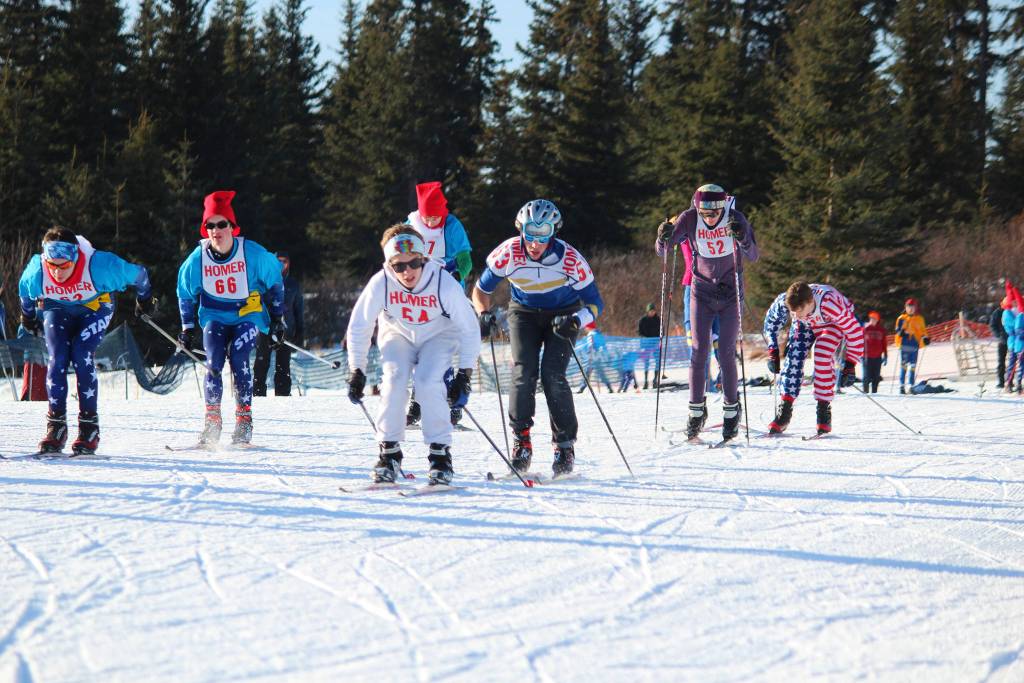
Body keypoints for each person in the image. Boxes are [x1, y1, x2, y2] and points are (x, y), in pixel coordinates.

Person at [472, 199, 604, 476]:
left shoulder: (570, 259)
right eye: (529, 234)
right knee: (524, 372)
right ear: (521, 230)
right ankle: (521, 443)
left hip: (563, 314)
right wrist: (483, 313)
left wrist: (577, 320)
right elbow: (480, 291)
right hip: (524, 312)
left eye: (542, 235)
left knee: (553, 375)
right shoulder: (508, 252)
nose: (534, 243)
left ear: (553, 233)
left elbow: (595, 305)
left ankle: (564, 447)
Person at [345, 224, 480, 485]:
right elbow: (360, 325)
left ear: (424, 259)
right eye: (399, 266)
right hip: (399, 334)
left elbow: (469, 328)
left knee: (429, 382)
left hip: (437, 336)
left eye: (414, 263)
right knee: (393, 380)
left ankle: (440, 455)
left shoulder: (443, 282)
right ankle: (389, 453)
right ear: (389, 265)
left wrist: (464, 373)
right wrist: (357, 369)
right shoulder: (381, 282)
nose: (407, 272)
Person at [18, 226, 154, 454]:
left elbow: (140, 274)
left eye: (65, 266)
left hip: (95, 307)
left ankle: (89, 427)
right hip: (57, 308)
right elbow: (24, 293)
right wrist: (28, 317)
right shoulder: (37, 272)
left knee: (81, 353)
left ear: (76, 259)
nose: (58, 273)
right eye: (53, 265)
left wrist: (145, 299)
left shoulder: (100, 266)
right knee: (57, 356)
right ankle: (56, 427)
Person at [176, 190, 285, 447]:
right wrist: (187, 328)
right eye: (210, 225)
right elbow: (184, 293)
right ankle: (212, 422)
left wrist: (279, 320)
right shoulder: (198, 258)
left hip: (245, 316)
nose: (216, 230)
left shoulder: (252, 253)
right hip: (214, 316)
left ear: (232, 227)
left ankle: (243, 420)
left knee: (238, 358)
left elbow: (276, 281)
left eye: (221, 223)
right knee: (213, 361)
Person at [656, 183, 758, 443]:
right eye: (706, 213)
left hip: (729, 293)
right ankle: (696, 411)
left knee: (725, 352)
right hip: (701, 292)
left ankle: (732, 410)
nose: (711, 218)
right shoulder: (689, 218)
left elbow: (753, 254)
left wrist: (742, 235)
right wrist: (663, 236)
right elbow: (665, 250)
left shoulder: (735, 218)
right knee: (698, 350)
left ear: (723, 207)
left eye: (715, 213)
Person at [404, 181, 472, 427]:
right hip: (419, 291)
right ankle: (417, 401)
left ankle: (451, 402)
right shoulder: (411, 225)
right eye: (427, 218)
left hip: (447, 290)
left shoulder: (452, 226)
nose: (431, 222)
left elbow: (465, 260)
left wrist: (456, 276)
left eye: (435, 218)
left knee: (442, 347)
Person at [763, 281, 864, 435]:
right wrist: (773, 351)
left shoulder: (829, 304)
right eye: (792, 312)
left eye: (798, 311)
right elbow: (771, 323)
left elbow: (854, 332)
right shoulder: (787, 302)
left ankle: (823, 411)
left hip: (830, 324)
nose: (794, 315)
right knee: (793, 359)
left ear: (810, 302)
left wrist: (850, 365)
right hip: (805, 325)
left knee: (822, 354)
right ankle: (784, 411)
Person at [253, 252, 304, 397]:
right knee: (261, 362)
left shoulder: (293, 284)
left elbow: (298, 309)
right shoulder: (263, 281)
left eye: (285, 261)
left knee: (283, 365)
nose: (281, 264)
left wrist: (300, 331)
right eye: (278, 261)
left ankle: (283, 395)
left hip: (285, 330)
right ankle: (258, 394)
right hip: (265, 328)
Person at [894, 297, 930, 395]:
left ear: (915, 308)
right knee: (904, 366)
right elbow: (897, 329)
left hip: (914, 344)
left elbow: (923, 331)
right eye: (909, 307)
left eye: (913, 307)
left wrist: (925, 338)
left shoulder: (919, 319)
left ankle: (911, 385)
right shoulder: (901, 318)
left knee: (913, 366)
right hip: (905, 344)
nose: (911, 309)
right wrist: (901, 332)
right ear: (905, 307)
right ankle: (901, 386)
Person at [576, 326, 615, 393]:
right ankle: (609, 388)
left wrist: (590, 354)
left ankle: (582, 388)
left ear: (589, 328)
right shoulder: (600, 335)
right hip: (598, 357)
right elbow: (604, 347)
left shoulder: (590, 335)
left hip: (592, 357)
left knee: (587, 374)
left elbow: (590, 345)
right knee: (601, 374)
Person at [990, 282, 1012, 388]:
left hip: (1013, 340)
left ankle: (1011, 381)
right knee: (1001, 362)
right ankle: (1001, 381)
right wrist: (999, 336)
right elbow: (993, 326)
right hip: (1002, 341)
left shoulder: (1013, 312)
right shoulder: (997, 313)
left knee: (1013, 361)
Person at [862, 311, 887, 393]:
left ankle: (874, 392)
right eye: (872, 318)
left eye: (875, 319)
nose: (873, 320)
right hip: (866, 356)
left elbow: (884, 343)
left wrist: (885, 355)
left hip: (878, 357)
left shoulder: (881, 330)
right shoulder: (865, 329)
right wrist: (859, 354)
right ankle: (865, 392)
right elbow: (860, 341)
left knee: (876, 376)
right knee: (866, 376)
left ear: (878, 320)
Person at [637, 303, 661, 389]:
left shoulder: (658, 320)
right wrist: (645, 338)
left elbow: (661, 331)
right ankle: (646, 381)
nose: (652, 313)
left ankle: (655, 380)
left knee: (657, 362)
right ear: (647, 311)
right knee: (646, 363)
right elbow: (639, 332)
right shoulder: (643, 320)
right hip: (646, 345)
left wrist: (659, 338)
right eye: (650, 311)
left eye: (653, 311)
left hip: (655, 344)